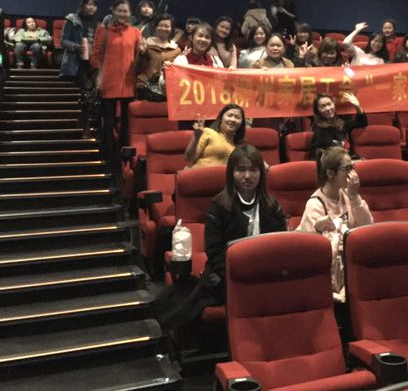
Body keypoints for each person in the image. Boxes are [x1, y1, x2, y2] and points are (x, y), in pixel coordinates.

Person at [154, 145, 287, 330]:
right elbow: (214, 252)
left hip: (264, 274)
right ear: (231, 173)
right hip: (228, 275)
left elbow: (280, 246)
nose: (247, 176)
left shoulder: (272, 206)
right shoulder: (219, 205)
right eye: (241, 170)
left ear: (261, 173)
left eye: (253, 170)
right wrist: (239, 274)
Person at [298, 146, 373, 301]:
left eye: (353, 167)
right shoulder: (315, 205)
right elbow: (315, 253)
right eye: (347, 169)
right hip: (328, 277)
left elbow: (368, 227)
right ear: (330, 173)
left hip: (349, 266)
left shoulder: (347, 194)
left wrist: (354, 197)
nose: (353, 174)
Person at [90, 0, 146, 168]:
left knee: (127, 124)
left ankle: (123, 157)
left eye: (125, 11)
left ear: (130, 13)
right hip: (108, 82)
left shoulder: (136, 32)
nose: (123, 14)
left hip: (128, 83)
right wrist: (99, 75)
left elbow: (139, 58)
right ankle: (108, 157)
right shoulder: (103, 30)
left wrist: (143, 52)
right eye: (119, 10)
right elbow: (95, 55)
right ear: (113, 11)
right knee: (108, 123)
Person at [135, 13, 181, 101]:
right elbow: (137, 68)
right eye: (161, 25)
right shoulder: (146, 44)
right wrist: (142, 53)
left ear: (171, 29)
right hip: (145, 88)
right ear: (156, 27)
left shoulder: (176, 50)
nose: (163, 28)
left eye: (167, 26)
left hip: (166, 89)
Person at [185, 104, 246, 168]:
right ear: (221, 118)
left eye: (237, 117)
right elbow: (189, 158)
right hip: (197, 172)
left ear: (241, 123)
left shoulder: (239, 147)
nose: (233, 119)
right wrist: (196, 138)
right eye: (229, 115)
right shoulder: (208, 132)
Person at [310, 92, 367, 157]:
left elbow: (362, 123)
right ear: (317, 110)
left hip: (347, 159)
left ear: (334, 104)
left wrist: (357, 106)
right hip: (333, 161)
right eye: (323, 106)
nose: (328, 108)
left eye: (329, 104)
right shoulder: (319, 130)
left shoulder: (341, 122)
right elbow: (333, 153)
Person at [60, 0, 99, 87]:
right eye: (89, 4)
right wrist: (77, 47)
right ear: (83, 5)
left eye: (95, 5)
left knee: (91, 88)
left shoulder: (96, 22)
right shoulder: (72, 19)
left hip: (92, 60)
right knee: (83, 85)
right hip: (76, 60)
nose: (92, 7)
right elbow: (64, 41)